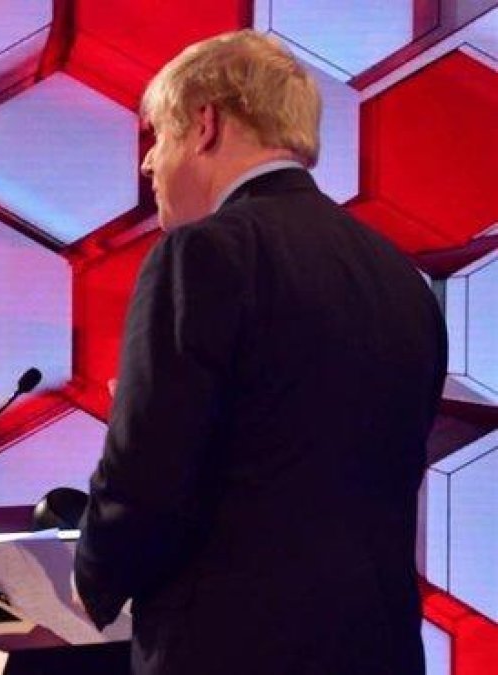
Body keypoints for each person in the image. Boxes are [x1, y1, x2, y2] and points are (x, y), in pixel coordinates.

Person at [74, 30, 446, 675]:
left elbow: (148, 467)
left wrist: (94, 578)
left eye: (157, 136)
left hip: (231, 645)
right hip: (378, 646)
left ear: (205, 124)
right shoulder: (397, 273)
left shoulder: (202, 253)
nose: (148, 164)